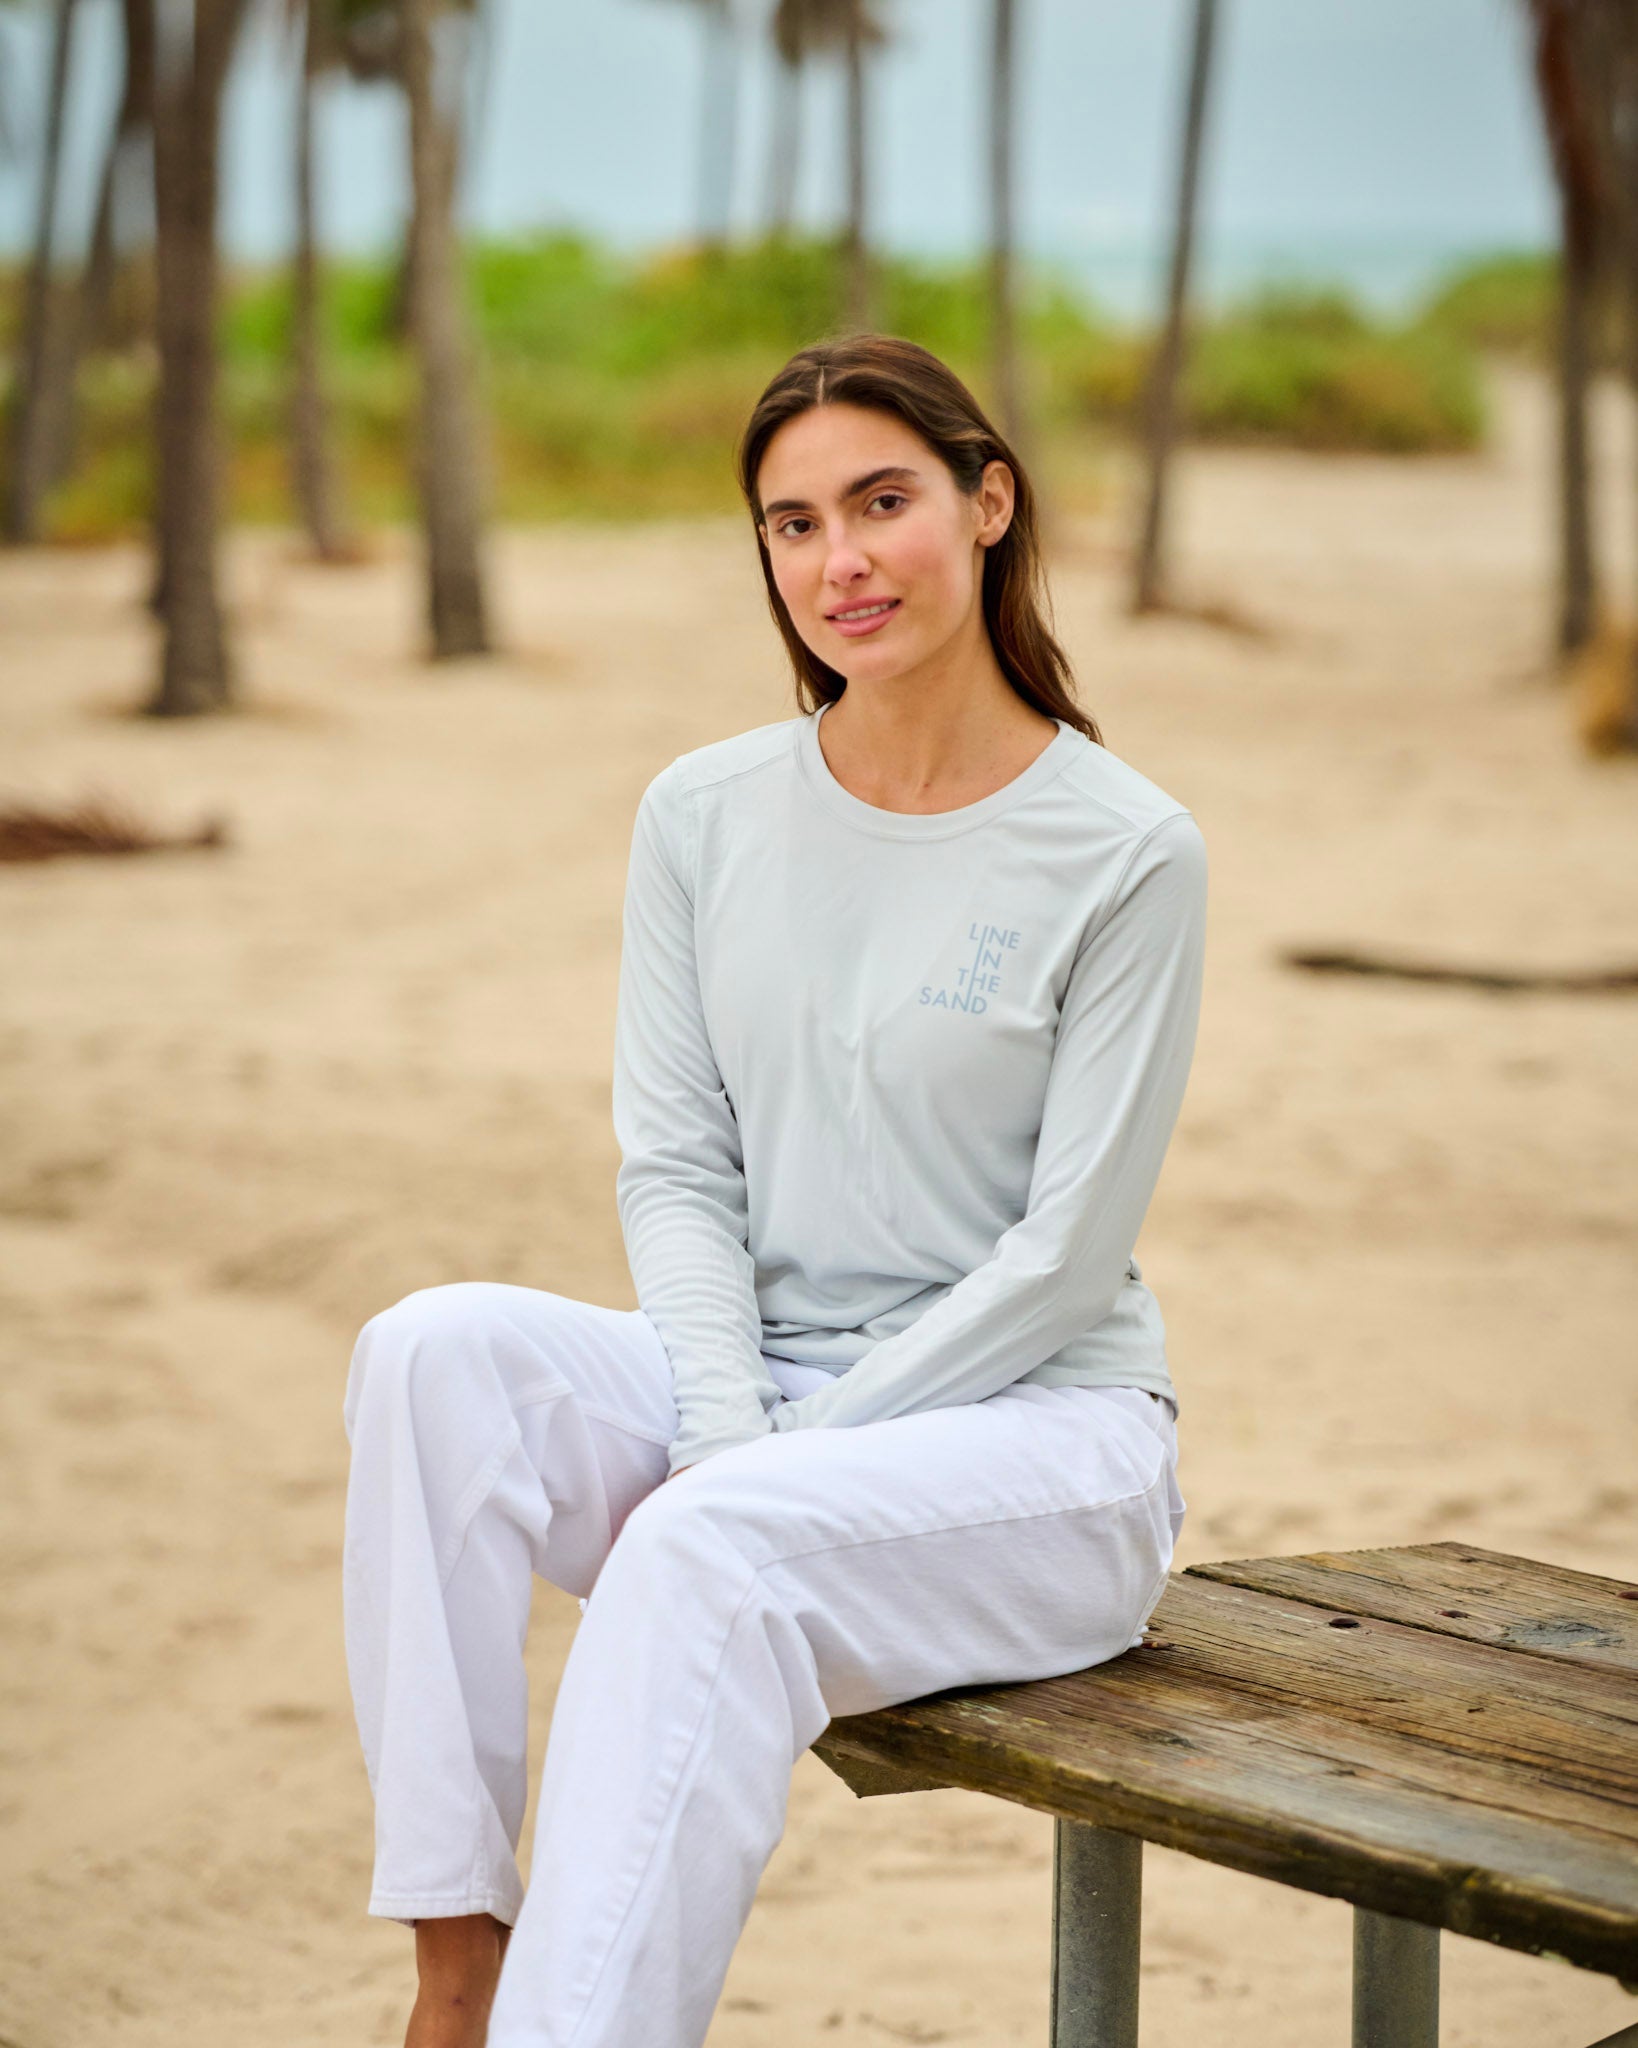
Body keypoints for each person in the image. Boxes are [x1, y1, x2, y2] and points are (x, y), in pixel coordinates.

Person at [341, 332, 1206, 2048]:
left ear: (986, 503)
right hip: (765, 1398)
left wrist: (751, 1468)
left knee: (712, 1546)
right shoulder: (703, 812)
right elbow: (675, 1163)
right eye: (792, 524)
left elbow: (1059, 1262)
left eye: (881, 503)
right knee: (431, 1354)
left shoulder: (1124, 849)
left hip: (1043, 1444)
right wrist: (728, 1426)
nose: (840, 563)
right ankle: (459, 1980)